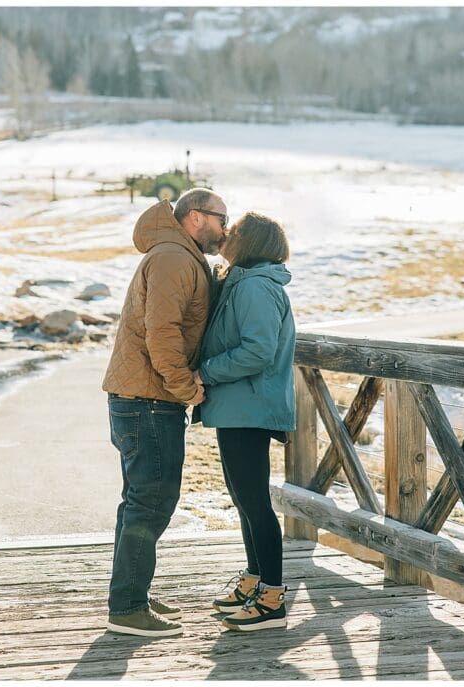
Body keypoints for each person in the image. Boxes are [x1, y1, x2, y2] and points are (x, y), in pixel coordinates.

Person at [102, 188, 229, 637]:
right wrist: (183, 386)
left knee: (139, 499)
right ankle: (128, 608)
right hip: (150, 400)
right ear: (195, 217)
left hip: (141, 398)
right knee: (151, 501)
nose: (225, 227)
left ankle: (131, 590)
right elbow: (163, 330)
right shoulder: (174, 258)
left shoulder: (178, 254)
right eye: (220, 218)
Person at [195, 212, 295, 631]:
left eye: (233, 230)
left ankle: (272, 599)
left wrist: (206, 372)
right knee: (244, 500)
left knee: (255, 502)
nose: (225, 234)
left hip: (249, 407)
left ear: (249, 241)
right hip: (239, 406)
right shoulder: (243, 281)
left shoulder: (254, 286)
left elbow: (258, 350)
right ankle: (255, 582)